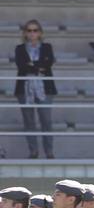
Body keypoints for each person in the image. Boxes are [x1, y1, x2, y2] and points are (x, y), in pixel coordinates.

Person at [13, 19, 56, 160]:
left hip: (44, 88)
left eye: (35, 30)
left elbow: (49, 63)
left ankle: (49, 152)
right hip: (25, 88)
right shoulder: (20, 48)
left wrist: (32, 65)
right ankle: (33, 152)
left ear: (40, 33)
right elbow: (21, 66)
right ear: (25, 33)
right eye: (29, 30)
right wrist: (39, 66)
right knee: (29, 121)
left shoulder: (47, 47)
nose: (32, 33)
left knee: (46, 121)